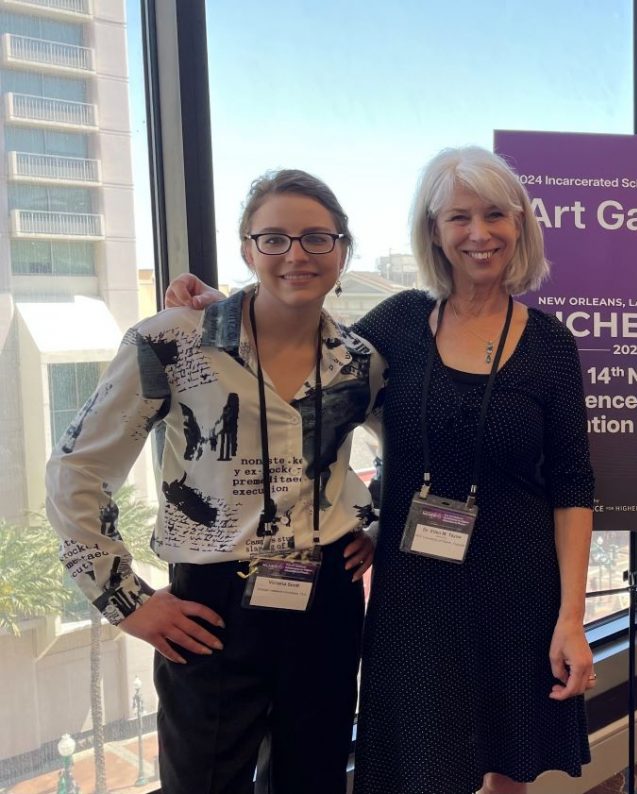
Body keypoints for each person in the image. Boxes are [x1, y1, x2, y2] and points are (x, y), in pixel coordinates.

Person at [167, 146, 596, 794]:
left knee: (508, 767)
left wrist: (571, 617)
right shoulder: (398, 324)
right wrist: (223, 306)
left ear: (520, 225)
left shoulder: (551, 345)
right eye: (458, 218)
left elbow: (573, 484)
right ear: (433, 231)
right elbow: (305, 361)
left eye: (494, 215)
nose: (478, 234)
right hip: (414, 592)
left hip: (517, 586)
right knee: (416, 766)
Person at [47, 169, 384, 793]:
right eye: (274, 238)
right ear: (246, 249)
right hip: (210, 601)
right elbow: (77, 471)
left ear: (342, 249)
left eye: (317, 238)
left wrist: (377, 521)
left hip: (328, 599)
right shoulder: (173, 340)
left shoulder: (360, 361)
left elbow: (413, 452)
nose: (296, 255)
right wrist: (129, 602)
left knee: (314, 780)